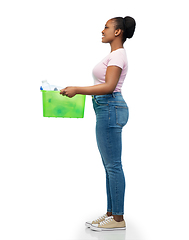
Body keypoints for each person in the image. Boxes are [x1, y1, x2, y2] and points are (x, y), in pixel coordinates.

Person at [60, 16, 136, 231]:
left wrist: (77, 89)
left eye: (106, 27)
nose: (102, 31)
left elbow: (109, 86)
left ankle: (118, 219)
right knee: (109, 166)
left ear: (118, 32)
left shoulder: (118, 55)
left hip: (110, 107)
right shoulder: (114, 55)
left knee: (113, 166)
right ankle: (112, 213)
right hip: (107, 108)